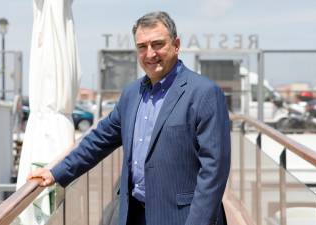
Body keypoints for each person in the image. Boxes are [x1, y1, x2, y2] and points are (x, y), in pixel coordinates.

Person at [28, 11, 230, 225]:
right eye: (142, 47)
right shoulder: (132, 94)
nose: (150, 54)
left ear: (176, 45)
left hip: (183, 218)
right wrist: (56, 173)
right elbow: (99, 140)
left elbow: (214, 170)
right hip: (135, 214)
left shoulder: (204, 92)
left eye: (158, 44)